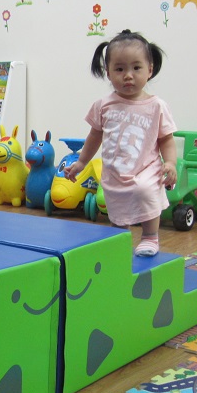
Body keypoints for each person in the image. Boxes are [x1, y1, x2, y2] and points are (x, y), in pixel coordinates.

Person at [65, 29, 178, 256]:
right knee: (116, 204)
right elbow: (94, 136)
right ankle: (119, 238)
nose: (128, 75)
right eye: (119, 69)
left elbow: (166, 138)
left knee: (146, 191)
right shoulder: (103, 105)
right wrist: (81, 162)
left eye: (136, 68)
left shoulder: (156, 106)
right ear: (108, 72)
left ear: (150, 70)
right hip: (116, 169)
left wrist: (171, 163)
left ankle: (150, 236)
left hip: (146, 166)